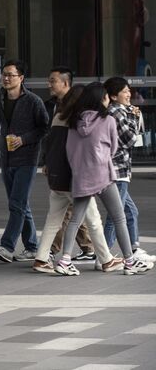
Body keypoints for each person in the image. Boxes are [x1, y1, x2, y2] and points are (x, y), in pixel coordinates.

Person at [55, 82, 151, 275]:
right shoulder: (107, 120)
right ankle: (130, 262)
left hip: (81, 176)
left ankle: (64, 260)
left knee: (75, 219)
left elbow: (69, 150)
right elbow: (115, 147)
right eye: (106, 97)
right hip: (103, 175)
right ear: (102, 99)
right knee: (119, 218)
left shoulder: (74, 122)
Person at [32, 85, 120, 274]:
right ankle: (106, 260)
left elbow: (51, 146)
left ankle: (41, 259)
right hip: (74, 181)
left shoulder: (58, 117)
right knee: (93, 219)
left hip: (56, 179)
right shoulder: (76, 122)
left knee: (53, 219)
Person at [0, 59, 49, 263]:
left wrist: (23, 139)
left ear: (21, 78)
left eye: (10, 75)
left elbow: (44, 128)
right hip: (7, 158)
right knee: (21, 204)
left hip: (27, 159)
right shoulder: (0, 98)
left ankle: (7, 246)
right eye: (4, 74)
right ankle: (32, 247)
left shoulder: (33, 101)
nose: (5, 78)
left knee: (17, 204)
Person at [44, 67, 94, 262]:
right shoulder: (54, 105)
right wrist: (48, 161)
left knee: (67, 210)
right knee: (76, 210)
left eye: (53, 80)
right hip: (60, 165)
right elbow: (52, 139)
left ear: (65, 83)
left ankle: (51, 250)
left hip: (72, 168)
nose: (49, 84)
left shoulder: (77, 108)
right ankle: (90, 248)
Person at [102, 77, 152, 262]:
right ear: (114, 96)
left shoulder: (121, 110)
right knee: (116, 215)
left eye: (128, 90)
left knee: (130, 211)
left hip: (120, 169)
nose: (129, 94)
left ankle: (134, 247)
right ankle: (104, 254)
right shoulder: (116, 113)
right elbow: (131, 140)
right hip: (118, 170)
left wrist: (133, 115)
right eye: (125, 91)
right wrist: (133, 116)